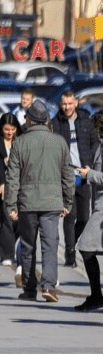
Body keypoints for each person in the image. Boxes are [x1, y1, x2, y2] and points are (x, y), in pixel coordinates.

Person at [5, 100, 74, 302]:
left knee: (28, 246)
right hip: (52, 202)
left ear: (31, 121)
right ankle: (49, 286)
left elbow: (12, 177)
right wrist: (68, 202)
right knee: (50, 245)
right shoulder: (59, 142)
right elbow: (68, 175)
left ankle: (29, 289)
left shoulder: (20, 142)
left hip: (28, 203)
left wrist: (11, 204)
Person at [51, 89, 98, 268]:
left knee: (84, 217)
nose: (67, 107)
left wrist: (90, 164)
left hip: (84, 175)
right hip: (66, 176)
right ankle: (70, 252)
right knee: (70, 216)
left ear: (76, 103)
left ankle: (77, 243)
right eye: (64, 104)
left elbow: (95, 143)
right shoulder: (55, 123)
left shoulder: (86, 121)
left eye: (70, 104)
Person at [73, 110, 103, 312]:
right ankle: (96, 296)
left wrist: (89, 174)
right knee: (86, 248)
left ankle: (96, 296)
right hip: (99, 205)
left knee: (85, 246)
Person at [0, 113, 22, 267]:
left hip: (22, 186)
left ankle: (16, 248)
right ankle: (7, 254)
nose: (10, 132)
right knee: (7, 219)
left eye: (12, 129)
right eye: (7, 129)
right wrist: (1, 182)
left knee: (20, 221)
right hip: (5, 186)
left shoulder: (21, 142)